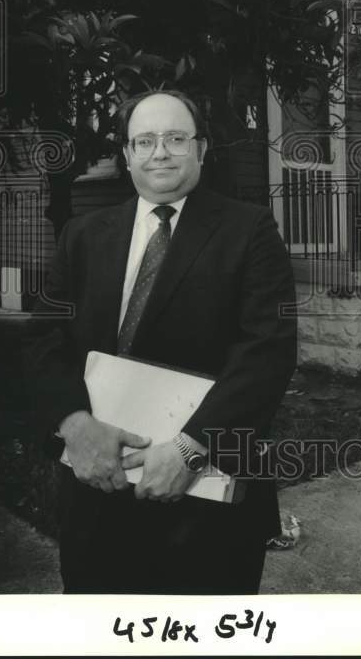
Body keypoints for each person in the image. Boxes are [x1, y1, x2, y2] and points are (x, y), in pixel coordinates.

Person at [25, 89, 297, 594]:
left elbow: (268, 352)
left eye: (176, 138)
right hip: (96, 495)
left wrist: (191, 451)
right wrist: (75, 425)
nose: (160, 152)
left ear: (201, 147)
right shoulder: (82, 235)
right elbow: (44, 338)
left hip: (204, 500)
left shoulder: (249, 230)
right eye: (144, 140)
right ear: (126, 154)